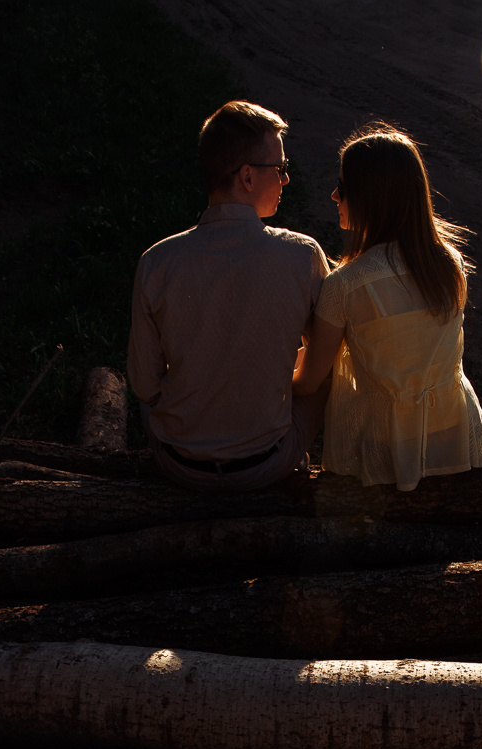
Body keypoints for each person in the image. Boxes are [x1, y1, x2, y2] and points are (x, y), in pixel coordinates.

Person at [127, 101, 330, 492]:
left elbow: (146, 386)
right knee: (327, 376)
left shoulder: (156, 262)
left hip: (179, 464)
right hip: (265, 466)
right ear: (248, 177)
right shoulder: (302, 256)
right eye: (281, 169)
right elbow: (320, 359)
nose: (286, 180)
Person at [292, 124, 482, 491]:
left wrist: (256, 382)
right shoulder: (450, 263)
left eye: (344, 186)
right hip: (454, 434)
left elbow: (308, 381)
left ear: (373, 196)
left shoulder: (345, 285)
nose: (334, 194)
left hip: (386, 448)